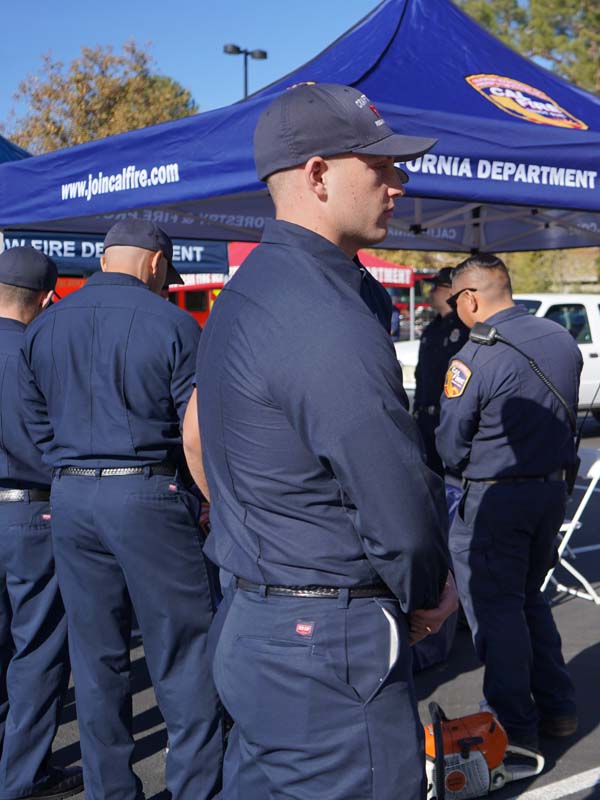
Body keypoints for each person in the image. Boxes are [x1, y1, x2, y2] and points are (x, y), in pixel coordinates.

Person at [194, 82, 455, 800]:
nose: (399, 184)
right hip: (326, 640)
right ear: (316, 174)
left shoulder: (251, 291)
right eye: (380, 166)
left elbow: (195, 435)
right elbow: (393, 495)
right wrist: (430, 589)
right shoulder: (319, 308)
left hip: (262, 620)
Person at [20, 220, 223, 800]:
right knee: (183, 653)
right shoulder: (175, 323)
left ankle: (111, 792)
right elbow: (197, 429)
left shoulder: (46, 324)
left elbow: (37, 423)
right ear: (156, 263)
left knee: (95, 657)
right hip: (147, 492)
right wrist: (211, 499)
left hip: (72, 494)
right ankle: (197, 790)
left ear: (106, 258)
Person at [436, 253, 582, 753]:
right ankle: (558, 708)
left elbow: (450, 444)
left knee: (496, 613)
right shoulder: (559, 337)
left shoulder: (475, 356)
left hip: (496, 498)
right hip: (549, 492)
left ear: (470, 299)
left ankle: (514, 729)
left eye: (456, 300)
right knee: (529, 599)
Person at [0, 248, 82, 800]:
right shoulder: (38, 352)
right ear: (49, 298)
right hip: (32, 511)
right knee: (39, 649)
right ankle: (23, 776)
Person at [413, 267, 469, 475]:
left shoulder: (465, 329)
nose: (430, 292)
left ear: (450, 291)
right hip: (425, 418)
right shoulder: (432, 329)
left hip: (448, 419)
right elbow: (422, 374)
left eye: (436, 287)